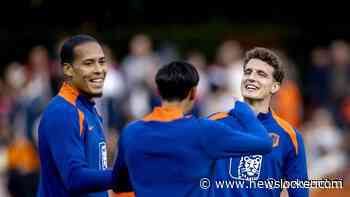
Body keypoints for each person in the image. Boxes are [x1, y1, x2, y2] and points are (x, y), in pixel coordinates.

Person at [112, 61, 273, 197]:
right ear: (193, 93)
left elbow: (119, 183)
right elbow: (264, 143)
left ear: (159, 92)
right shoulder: (204, 130)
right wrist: (244, 111)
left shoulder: (131, 132)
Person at [210, 47, 308, 196]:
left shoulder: (290, 137)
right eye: (248, 72)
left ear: (275, 86)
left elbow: (300, 193)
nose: (251, 77)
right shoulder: (213, 124)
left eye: (261, 74)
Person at [37, 35, 115, 197]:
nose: (99, 69)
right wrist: (125, 174)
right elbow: (74, 178)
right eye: (88, 63)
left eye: (101, 61)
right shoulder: (62, 112)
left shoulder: (88, 109)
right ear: (68, 69)